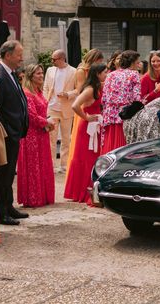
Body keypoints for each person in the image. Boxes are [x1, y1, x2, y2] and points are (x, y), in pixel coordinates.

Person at [0, 40, 29, 226]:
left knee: (9, 173)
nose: (21, 57)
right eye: (19, 54)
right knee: (3, 173)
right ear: (8, 55)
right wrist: (7, 130)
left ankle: (8, 206)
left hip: (15, 132)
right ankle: (0, 212)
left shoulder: (10, 73)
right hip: (7, 134)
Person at [65, 63, 108, 204]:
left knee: (93, 158)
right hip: (88, 128)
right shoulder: (89, 89)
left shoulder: (98, 87)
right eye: (104, 72)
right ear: (97, 74)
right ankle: (81, 192)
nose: (106, 75)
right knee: (86, 158)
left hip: (96, 125)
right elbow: (75, 105)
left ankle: (88, 190)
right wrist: (86, 117)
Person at [17, 64, 55, 208]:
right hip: (31, 135)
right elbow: (31, 116)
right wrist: (47, 121)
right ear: (30, 76)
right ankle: (33, 198)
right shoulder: (27, 93)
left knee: (43, 164)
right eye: (38, 73)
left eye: (42, 73)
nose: (41, 76)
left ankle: (43, 195)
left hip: (42, 133)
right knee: (33, 166)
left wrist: (48, 122)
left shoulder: (38, 92)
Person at [66, 49, 103, 169]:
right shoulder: (82, 71)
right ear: (93, 60)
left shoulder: (98, 76)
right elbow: (80, 90)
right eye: (99, 61)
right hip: (85, 108)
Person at [43, 49, 77, 172]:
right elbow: (45, 87)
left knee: (66, 138)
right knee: (51, 138)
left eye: (54, 59)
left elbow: (78, 89)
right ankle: (51, 165)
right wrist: (45, 101)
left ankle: (64, 165)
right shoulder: (50, 70)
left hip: (66, 108)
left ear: (62, 58)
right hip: (51, 108)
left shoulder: (74, 71)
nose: (52, 61)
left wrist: (67, 94)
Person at [101, 50, 141, 153]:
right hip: (125, 115)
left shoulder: (110, 74)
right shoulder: (134, 74)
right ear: (132, 62)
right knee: (123, 147)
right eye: (137, 62)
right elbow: (136, 98)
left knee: (109, 145)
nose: (139, 65)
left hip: (110, 115)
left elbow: (104, 98)